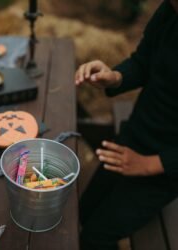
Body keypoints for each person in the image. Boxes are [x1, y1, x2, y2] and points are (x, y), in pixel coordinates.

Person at [74, 0, 178, 249]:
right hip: (135, 136)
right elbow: (143, 62)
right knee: (83, 212)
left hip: (166, 168)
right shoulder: (169, 11)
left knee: (95, 238)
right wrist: (115, 77)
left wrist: (150, 165)